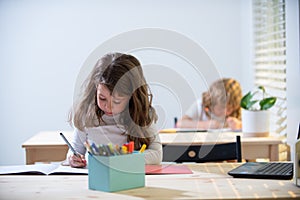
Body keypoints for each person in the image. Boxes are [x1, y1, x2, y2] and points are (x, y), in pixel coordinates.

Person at [67, 52, 162, 168]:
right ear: (95, 89)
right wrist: (73, 158)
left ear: (132, 97)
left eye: (117, 101)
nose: (108, 107)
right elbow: (75, 150)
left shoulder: (141, 116)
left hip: (129, 180)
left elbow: (157, 154)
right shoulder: (86, 115)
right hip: (95, 180)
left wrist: (124, 159)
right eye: (102, 98)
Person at [176, 78, 242, 131]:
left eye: (231, 108)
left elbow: (250, 126)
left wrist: (239, 125)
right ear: (212, 103)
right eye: (221, 108)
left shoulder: (239, 109)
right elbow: (180, 124)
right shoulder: (201, 105)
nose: (226, 112)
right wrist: (205, 125)